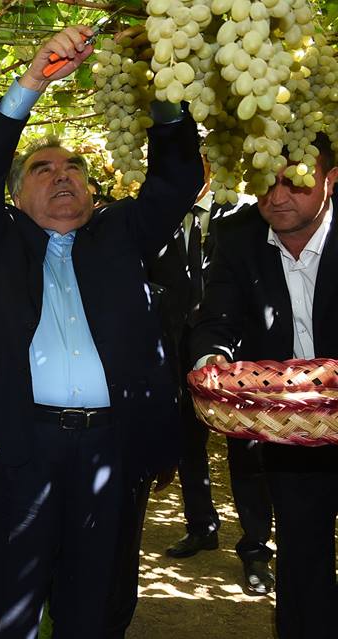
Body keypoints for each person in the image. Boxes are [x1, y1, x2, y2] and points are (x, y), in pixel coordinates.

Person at [0, 26, 203, 638]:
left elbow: (176, 182)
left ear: (91, 190)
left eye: (74, 168)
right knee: (8, 606)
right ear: (16, 196)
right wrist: (31, 83)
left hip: (108, 452)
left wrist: (164, 84)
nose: (61, 175)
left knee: (93, 605)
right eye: (42, 169)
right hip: (18, 449)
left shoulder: (122, 234)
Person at [190, 132, 338, 638]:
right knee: (302, 554)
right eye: (265, 183)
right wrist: (211, 359)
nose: (277, 197)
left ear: (331, 180)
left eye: (294, 182)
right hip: (291, 428)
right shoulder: (238, 237)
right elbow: (216, 320)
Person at [152, 164, 274, 595]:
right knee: (189, 445)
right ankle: (201, 526)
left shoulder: (245, 214)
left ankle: (255, 548)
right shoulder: (161, 216)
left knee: (247, 450)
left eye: (200, 158)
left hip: (237, 358)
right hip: (179, 354)